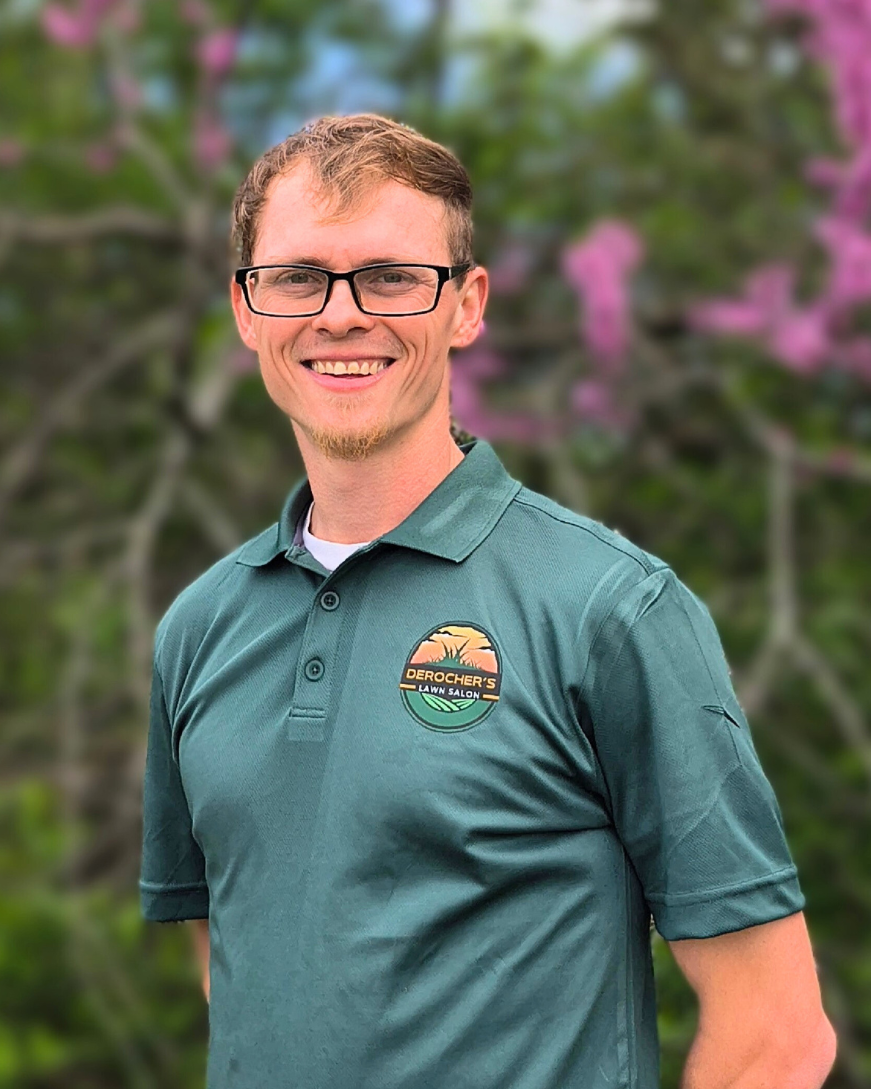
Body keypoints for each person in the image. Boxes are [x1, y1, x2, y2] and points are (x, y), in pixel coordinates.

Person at [140, 114, 836, 1089]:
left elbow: (776, 1033)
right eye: (298, 277)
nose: (340, 315)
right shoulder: (200, 630)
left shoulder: (609, 611)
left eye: (390, 276)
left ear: (466, 305)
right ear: (248, 309)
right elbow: (244, 967)